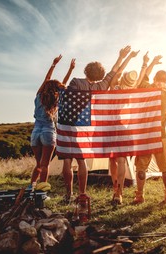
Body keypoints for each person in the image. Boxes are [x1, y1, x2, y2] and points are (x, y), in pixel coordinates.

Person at [63, 46, 132, 222]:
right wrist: (121, 56)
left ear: (86, 70)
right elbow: (114, 71)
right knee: (82, 159)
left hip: (73, 124)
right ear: (100, 75)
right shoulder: (103, 85)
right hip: (90, 127)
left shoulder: (76, 82)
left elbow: (67, 100)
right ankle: (82, 193)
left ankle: (68, 194)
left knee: (67, 159)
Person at [133, 55, 166, 204]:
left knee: (141, 167)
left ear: (154, 79)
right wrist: (164, 86)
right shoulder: (165, 94)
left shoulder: (146, 88)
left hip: (145, 135)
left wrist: (150, 63)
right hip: (160, 136)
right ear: (165, 81)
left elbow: (144, 76)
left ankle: (139, 195)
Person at [108, 50, 149, 204]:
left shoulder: (115, 89)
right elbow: (140, 76)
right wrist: (144, 62)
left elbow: (117, 71)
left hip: (112, 127)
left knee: (112, 160)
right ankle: (119, 193)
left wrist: (127, 57)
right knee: (122, 160)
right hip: (126, 128)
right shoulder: (132, 91)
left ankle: (115, 190)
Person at [29, 55, 75, 189]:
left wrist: (53, 65)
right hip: (48, 132)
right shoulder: (56, 99)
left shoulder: (38, 96)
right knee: (45, 165)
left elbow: (46, 79)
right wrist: (71, 69)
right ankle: (41, 191)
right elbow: (64, 83)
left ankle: (31, 187)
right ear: (56, 90)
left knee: (38, 164)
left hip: (35, 132)